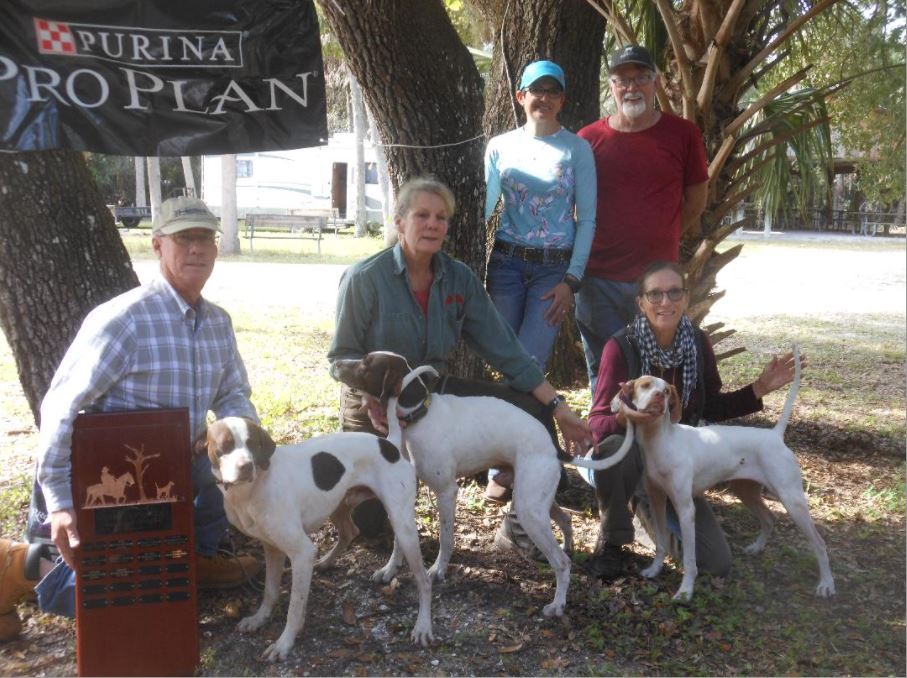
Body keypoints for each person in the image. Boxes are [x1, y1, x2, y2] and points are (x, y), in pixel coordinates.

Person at [0, 196, 261, 641]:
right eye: (183, 238)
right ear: (158, 245)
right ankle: (17, 565)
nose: (196, 248)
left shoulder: (218, 323)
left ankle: (192, 558)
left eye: (204, 237)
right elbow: (60, 407)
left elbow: (233, 393)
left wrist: (245, 446)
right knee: (99, 597)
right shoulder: (124, 321)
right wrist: (60, 503)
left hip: (175, 473)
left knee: (216, 486)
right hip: (113, 480)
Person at [327, 177, 592, 553]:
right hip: (374, 402)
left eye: (441, 217)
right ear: (399, 221)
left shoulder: (458, 278)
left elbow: (507, 351)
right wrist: (371, 397)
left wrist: (558, 407)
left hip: (431, 396)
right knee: (370, 525)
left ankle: (520, 523)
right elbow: (340, 358)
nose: (432, 224)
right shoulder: (364, 278)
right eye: (422, 215)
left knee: (531, 407)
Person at [584, 260, 806, 581]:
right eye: (655, 294)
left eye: (674, 292)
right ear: (641, 302)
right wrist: (624, 416)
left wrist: (758, 388)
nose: (665, 301)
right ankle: (612, 540)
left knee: (715, 562)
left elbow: (711, 406)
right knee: (616, 447)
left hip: (674, 461)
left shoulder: (697, 344)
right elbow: (597, 423)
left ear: (686, 298)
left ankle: (652, 524)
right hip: (628, 459)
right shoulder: (620, 347)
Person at [576, 45, 709, 390]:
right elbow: (574, 205)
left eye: (641, 78)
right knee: (605, 376)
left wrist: (665, 232)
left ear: (656, 83)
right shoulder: (587, 140)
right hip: (598, 281)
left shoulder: (683, 134)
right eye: (622, 80)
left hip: (657, 285)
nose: (631, 87)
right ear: (611, 86)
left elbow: (696, 199)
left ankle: (652, 429)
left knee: (655, 376)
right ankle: (607, 427)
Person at [484, 59, 596, 369]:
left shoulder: (577, 149)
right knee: (504, 360)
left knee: (530, 363)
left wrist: (571, 280)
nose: (544, 98)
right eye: (537, 90)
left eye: (553, 91)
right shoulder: (499, 146)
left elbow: (587, 219)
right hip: (505, 265)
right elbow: (487, 209)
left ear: (562, 100)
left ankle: (526, 403)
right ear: (521, 96)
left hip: (553, 270)